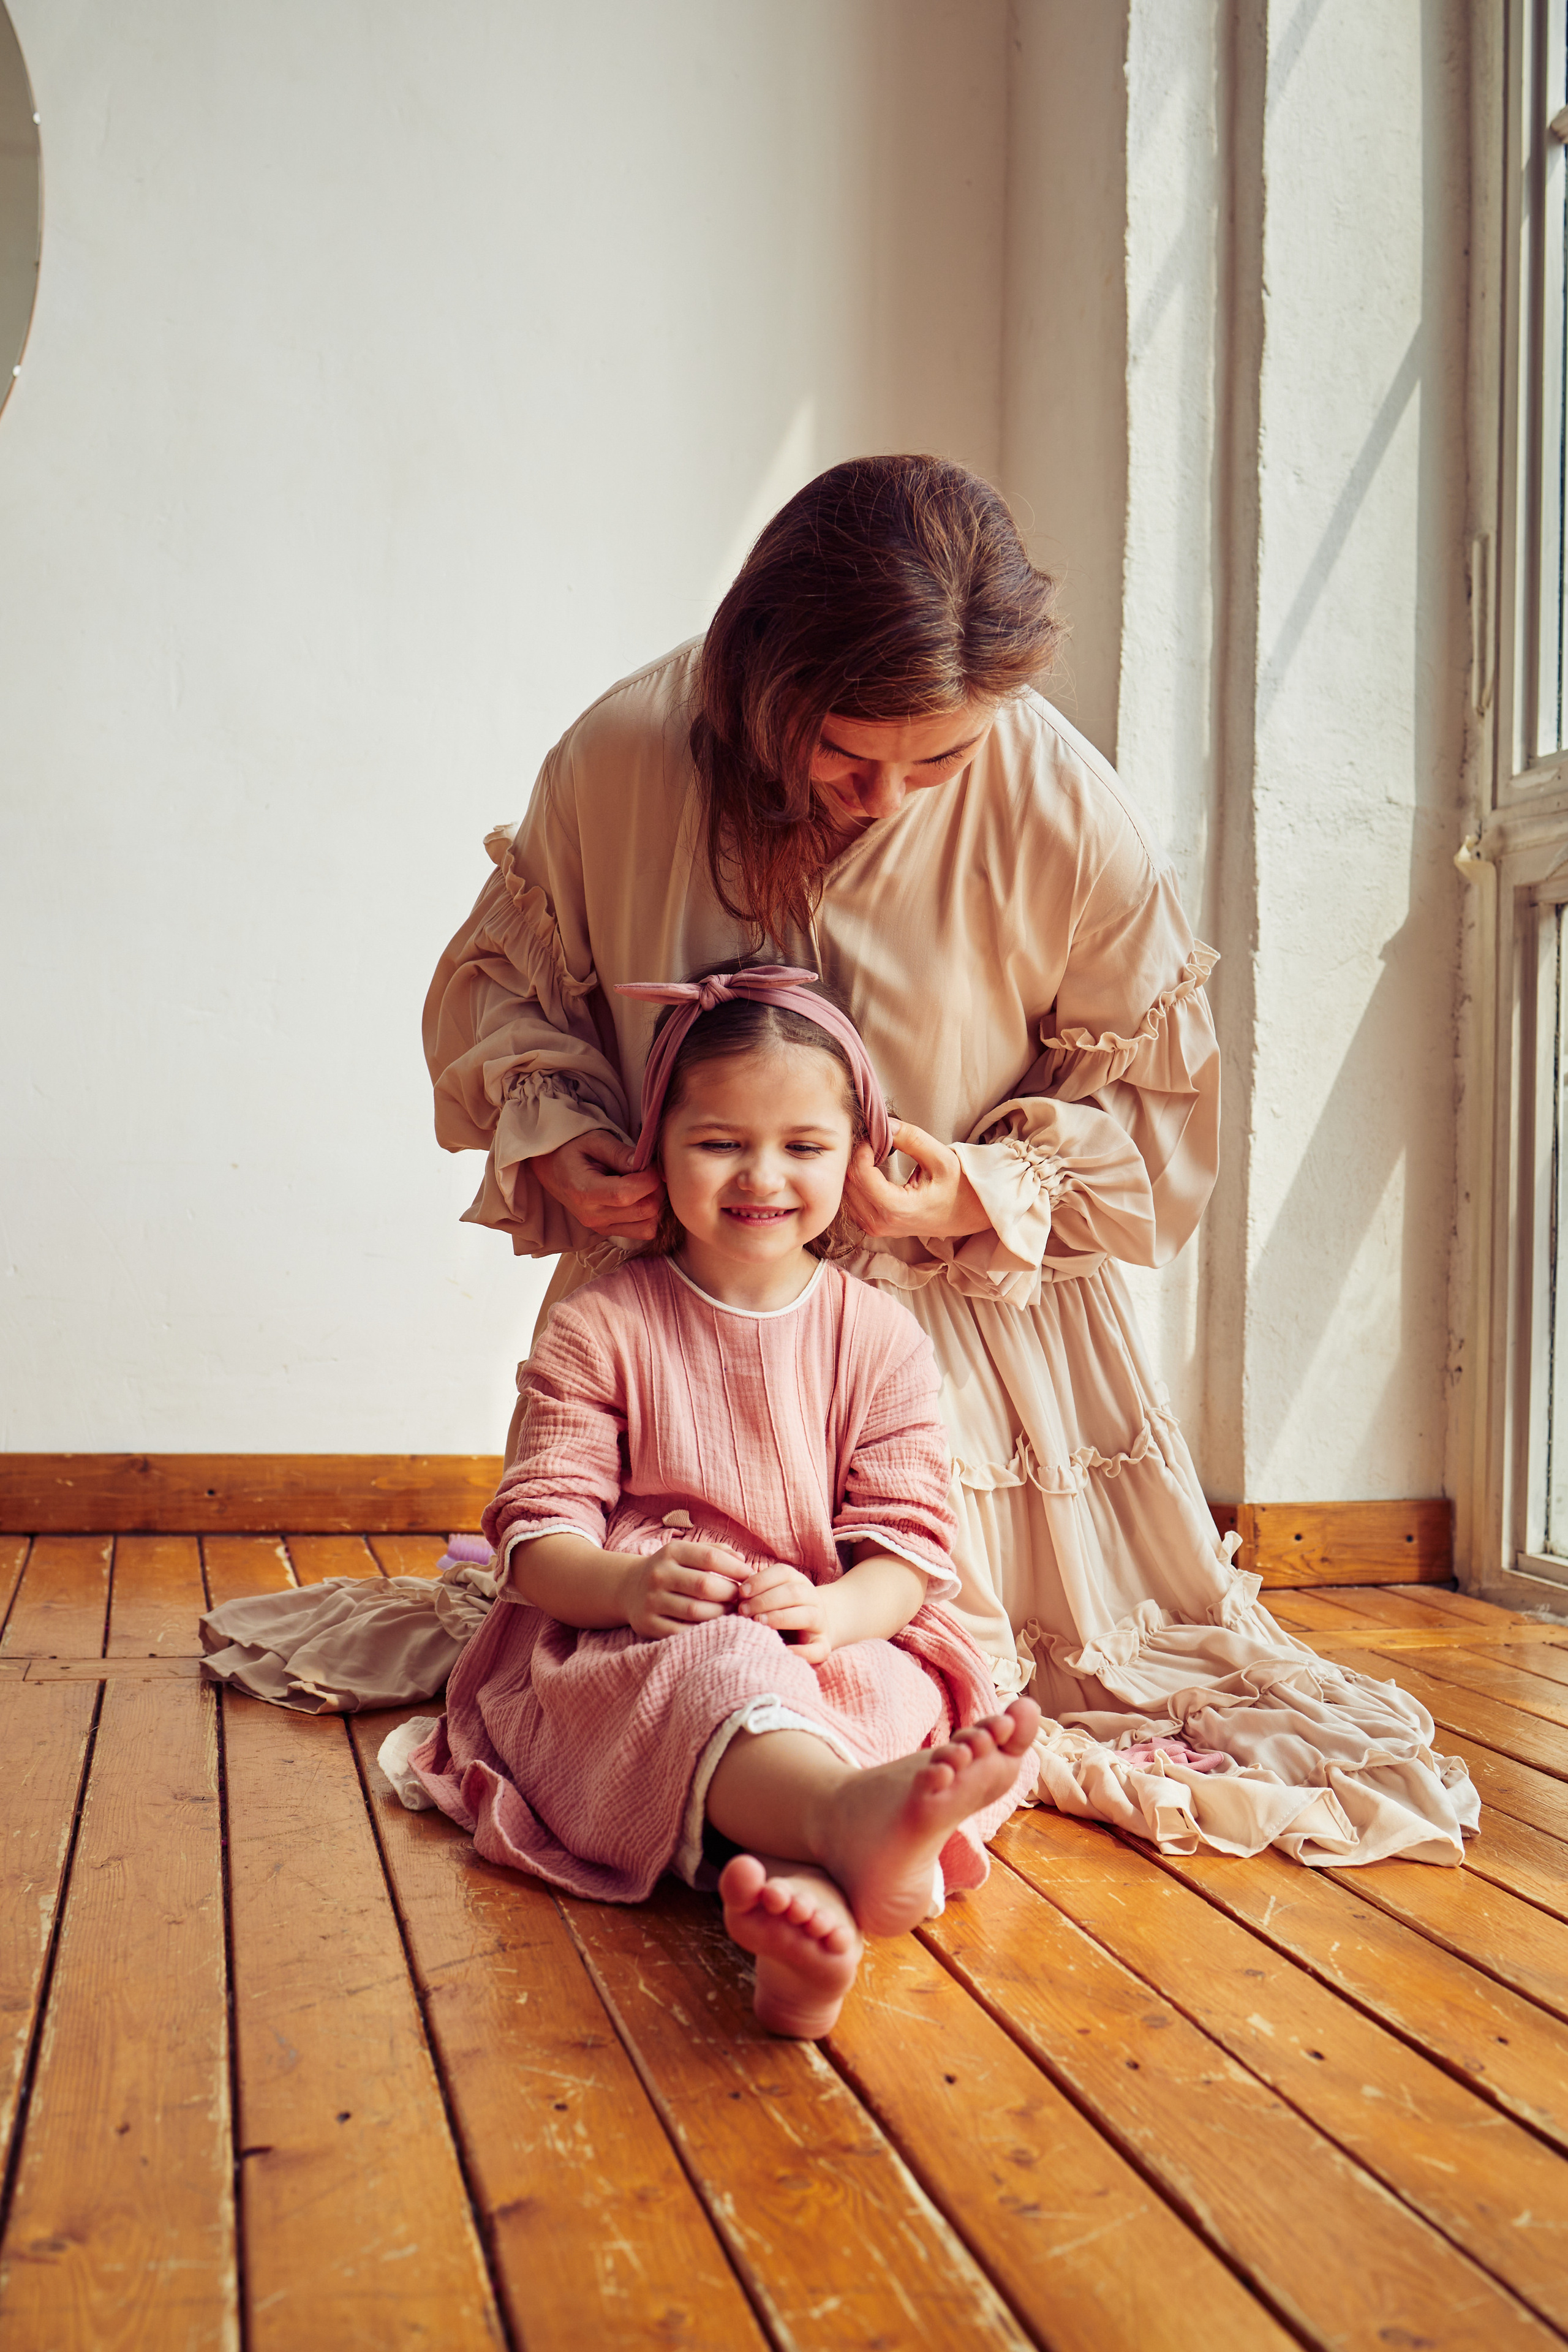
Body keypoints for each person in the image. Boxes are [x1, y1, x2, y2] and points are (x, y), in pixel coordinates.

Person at [424, 452, 1477, 1865]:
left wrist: (978, 1186)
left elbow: (1159, 1119)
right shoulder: (618, 758)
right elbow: (508, 997)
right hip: (684, 1320)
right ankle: (794, 1794)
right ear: (757, 687)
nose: (885, 798)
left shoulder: (1057, 798)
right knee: (662, 1635)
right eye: (846, 757)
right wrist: (560, 1136)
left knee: (913, 1637)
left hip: (946, 1331)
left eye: (939, 762)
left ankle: (831, 1798)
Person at [404, 966, 1041, 2038]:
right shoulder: (602, 1326)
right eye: (719, 1143)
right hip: (637, 1630)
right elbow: (536, 1535)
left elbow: (908, 1554)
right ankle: (846, 1830)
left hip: (823, 1619)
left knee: (887, 1692)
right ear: (658, 1144)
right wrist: (626, 1584)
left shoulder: (876, 1335)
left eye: (803, 1146)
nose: (762, 1176)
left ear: (856, 1156)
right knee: (720, 1673)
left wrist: (836, 1615)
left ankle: (811, 1920)